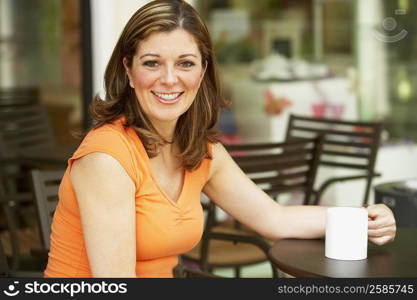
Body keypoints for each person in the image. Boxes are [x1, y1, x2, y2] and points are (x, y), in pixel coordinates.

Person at [44, 0, 396, 278]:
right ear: (129, 72)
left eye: (185, 63)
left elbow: (275, 219)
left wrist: (362, 218)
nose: (169, 79)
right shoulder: (108, 158)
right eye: (152, 63)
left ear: (203, 71)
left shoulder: (199, 150)